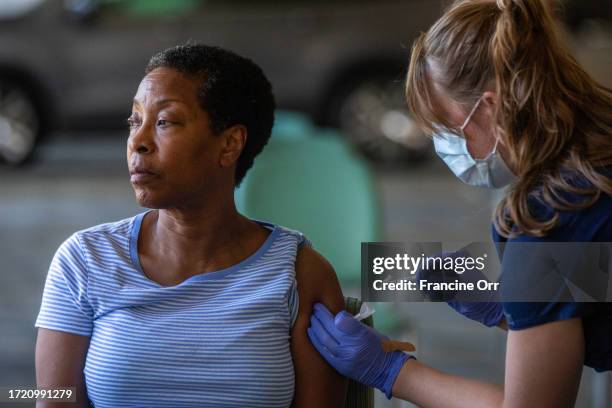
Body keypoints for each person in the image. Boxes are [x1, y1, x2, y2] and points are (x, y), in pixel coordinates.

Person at [307, 0, 612, 406]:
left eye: (449, 128)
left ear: (490, 105)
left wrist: (393, 371)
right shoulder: (596, 160)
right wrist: (507, 308)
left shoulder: (547, 219)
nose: (445, 148)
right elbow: (599, 293)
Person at [34, 44, 347, 408]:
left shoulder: (300, 275)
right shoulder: (84, 261)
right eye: (134, 121)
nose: (139, 142)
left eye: (164, 122)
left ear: (230, 144)